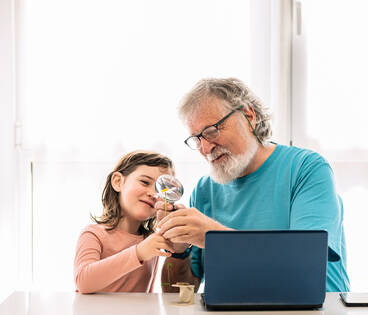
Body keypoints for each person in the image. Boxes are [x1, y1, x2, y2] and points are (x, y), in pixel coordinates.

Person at [157, 78, 350, 292]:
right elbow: (178, 293)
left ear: (249, 116)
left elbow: (307, 263)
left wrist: (213, 237)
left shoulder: (306, 169)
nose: (205, 148)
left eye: (211, 131)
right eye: (196, 139)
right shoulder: (204, 190)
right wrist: (178, 251)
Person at [74, 150, 177, 293]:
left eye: (162, 189)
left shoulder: (150, 241)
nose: (153, 194)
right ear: (118, 182)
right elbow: (83, 282)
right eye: (144, 182)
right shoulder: (93, 234)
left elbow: (146, 296)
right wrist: (138, 253)